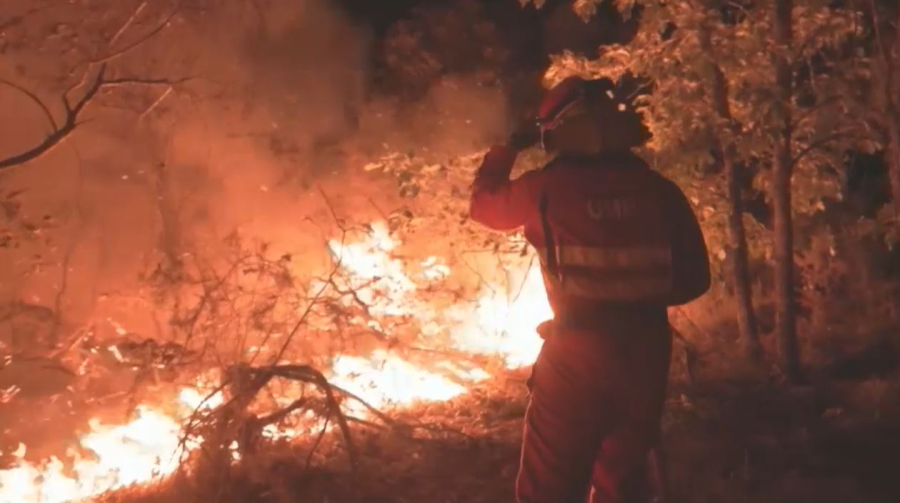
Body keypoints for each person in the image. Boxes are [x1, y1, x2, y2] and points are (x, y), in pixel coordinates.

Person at [469, 76, 711, 503]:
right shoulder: (660, 191)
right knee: (624, 484)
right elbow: (695, 280)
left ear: (561, 133)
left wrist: (508, 147)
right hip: (646, 356)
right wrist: (632, 300)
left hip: (576, 356)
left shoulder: (547, 187)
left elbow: (484, 206)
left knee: (551, 487)